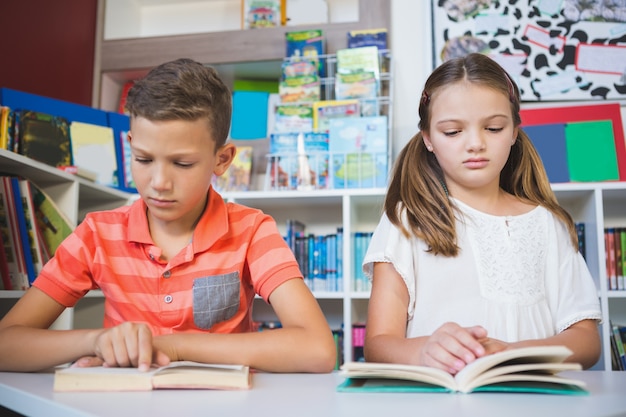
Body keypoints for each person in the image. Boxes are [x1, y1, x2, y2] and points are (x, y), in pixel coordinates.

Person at [0, 58, 336, 373]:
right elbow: (6, 342)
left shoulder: (251, 230)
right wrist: (96, 341)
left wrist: (172, 347)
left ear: (222, 159)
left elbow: (318, 349)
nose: (159, 183)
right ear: (130, 143)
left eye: (182, 163)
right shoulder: (97, 234)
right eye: (144, 159)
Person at [363, 53, 602, 375]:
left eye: (493, 128)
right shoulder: (406, 221)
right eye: (452, 132)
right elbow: (378, 343)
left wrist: (511, 353)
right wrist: (425, 350)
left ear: (514, 132)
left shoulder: (548, 223)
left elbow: (587, 342)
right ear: (428, 139)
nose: (475, 143)